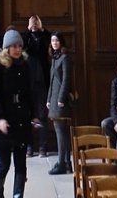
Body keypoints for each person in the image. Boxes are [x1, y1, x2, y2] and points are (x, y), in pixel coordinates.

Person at [0, 29, 33, 198]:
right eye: (14, 46)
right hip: (4, 119)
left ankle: (18, 195)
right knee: (4, 163)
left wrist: (33, 115)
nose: (17, 49)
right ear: (6, 48)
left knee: (21, 164)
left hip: (21, 119)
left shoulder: (24, 65)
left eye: (20, 46)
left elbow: (29, 93)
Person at [23, 15, 50, 158]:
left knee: (41, 116)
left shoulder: (44, 36)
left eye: (36, 22)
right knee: (28, 116)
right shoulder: (26, 37)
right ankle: (29, 147)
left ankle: (42, 147)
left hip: (41, 83)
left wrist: (42, 28)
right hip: (28, 82)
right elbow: (24, 47)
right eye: (32, 22)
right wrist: (29, 30)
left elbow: (48, 45)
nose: (34, 24)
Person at [46, 32, 72, 175]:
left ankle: (61, 163)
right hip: (54, 99)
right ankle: (67, 163)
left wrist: (61, 99)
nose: (54, 43)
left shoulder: (65, 58)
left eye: (56, 40)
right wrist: (49, 99)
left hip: (61, 101)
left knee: (61, 132)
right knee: (62, 132)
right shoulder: (54, 58)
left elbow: (67, 80)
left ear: (61, 42)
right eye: (52, 41)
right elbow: (51, 82)